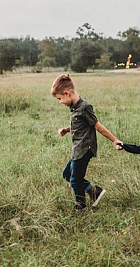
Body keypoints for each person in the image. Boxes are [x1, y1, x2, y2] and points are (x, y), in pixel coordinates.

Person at [51, 74, 121, 210]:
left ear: (67, 93)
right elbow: (79, 125)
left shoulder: (85, 107)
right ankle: (94, 190)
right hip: (77, 149)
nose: (60, 102)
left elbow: (98, 126)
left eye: (59, 99)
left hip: (84, 149)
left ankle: (81, 205)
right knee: (67, 174)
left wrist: (115, 140)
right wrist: (66, 130)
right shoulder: (74, 108)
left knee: (75, 179)